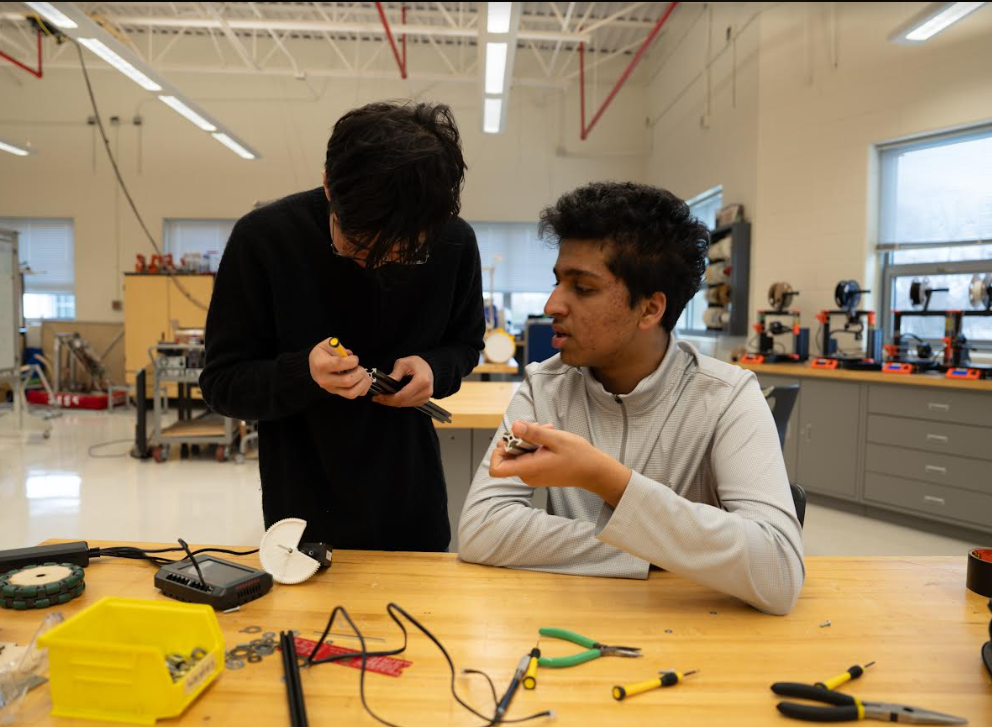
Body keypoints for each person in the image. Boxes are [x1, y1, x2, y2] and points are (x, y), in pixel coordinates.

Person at [457, 182, 804, 614]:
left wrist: (606, 480)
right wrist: (672, 553)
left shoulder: (727, 398)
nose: (552, 304)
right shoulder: (544, 386)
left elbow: (779, 569)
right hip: (571, 627)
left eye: (582, 288)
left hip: (694, 644)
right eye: (558, 282)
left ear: (650, 309)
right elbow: (482, 530)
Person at [200, 101, 484, 551]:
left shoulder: (454, 242)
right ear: (328, 184)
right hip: (302, 512)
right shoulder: (265, 239)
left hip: (413, 502)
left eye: (406, 252)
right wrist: (303, 373)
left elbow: (466, 345)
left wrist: (434, 370)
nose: (380, 265)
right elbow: (221, 383)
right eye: (358, 246)